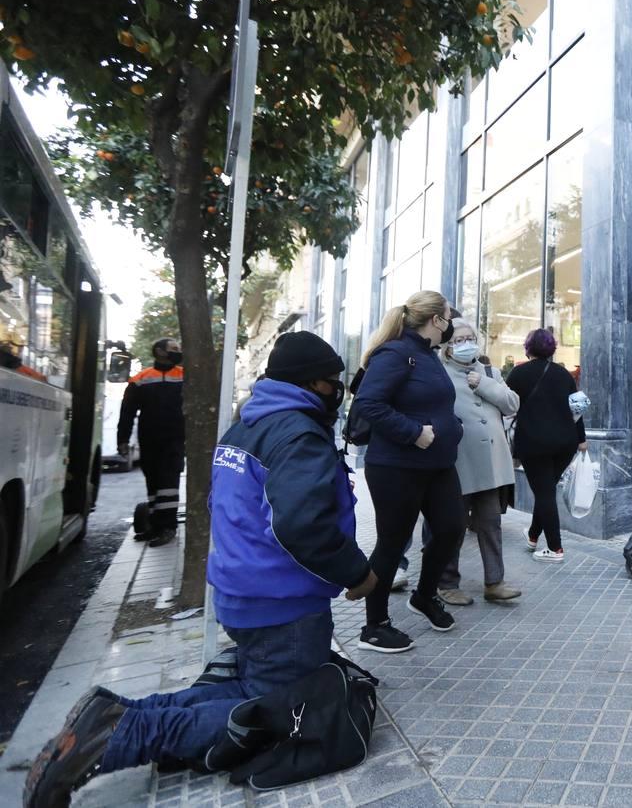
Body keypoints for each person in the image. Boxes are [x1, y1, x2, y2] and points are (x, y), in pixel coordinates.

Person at [25, 332, 376, 807]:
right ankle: (124, 736)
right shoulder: (296, 433)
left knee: (252, 685)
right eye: (333, 382)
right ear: (313, 383)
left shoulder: (247, 426)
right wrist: (358, 573)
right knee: (273, 708)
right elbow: (302, 524)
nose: (338, 391)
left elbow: (224, 505)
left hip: (245, 592)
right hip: (284, 603)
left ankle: (119, 714)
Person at [354, 291, 466, 653]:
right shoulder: (396, 353)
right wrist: (413, 432)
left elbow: (436, 404)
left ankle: (424, 596)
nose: (451, 324)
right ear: (436, 320)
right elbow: (368, 402)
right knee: (391, 543)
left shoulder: (427, 356)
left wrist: (453, 427)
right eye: (449, 317)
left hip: (437, 465)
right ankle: (375, 626)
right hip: (396, 467)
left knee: (451, 530)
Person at [439, 319, 522, 604]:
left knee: (490, 523)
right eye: (459, 340)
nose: (466, 344)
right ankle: (447, 583)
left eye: (471, 338)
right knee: (452, 527)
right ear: (447, 347)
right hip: (457, 462)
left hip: (490, 464)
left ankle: (494, 582)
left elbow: (512, 404)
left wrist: (485, 384)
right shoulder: (439, 373)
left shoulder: (489, 371)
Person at [507, 328, 587, 563]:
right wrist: (581, 439)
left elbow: (506, 405)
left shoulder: (518, 374)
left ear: (527, 347)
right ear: (552, 348)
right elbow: (578, 411)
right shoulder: (564, 374)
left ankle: (555, 548)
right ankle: (533, 536)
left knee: (544, 493)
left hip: (534, 444)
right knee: (546, 490)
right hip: (565, 443)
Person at [117, 337, 186, 547]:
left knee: (168, 483)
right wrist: (122, 440)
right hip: (149, 439)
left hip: (174, 439)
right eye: (173, 349)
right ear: (160, 352)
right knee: (154, 484)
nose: (178, 352)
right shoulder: (140, 379)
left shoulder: (185, 377)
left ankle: (168, 527)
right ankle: (156, 526)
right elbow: (127, 413)